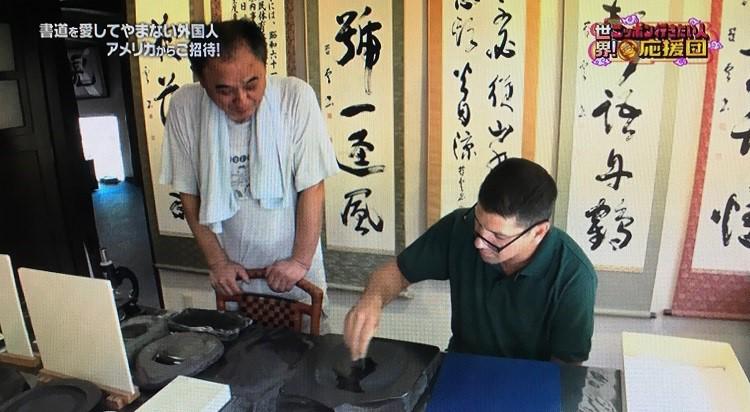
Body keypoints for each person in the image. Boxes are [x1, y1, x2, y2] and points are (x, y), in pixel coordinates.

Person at [344, 158, 597, 364]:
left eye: (497, 236)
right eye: (479, 222)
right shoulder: (460, 227)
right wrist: (372, 300)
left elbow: (565, 370)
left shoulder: (574, 276)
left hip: (529, 385)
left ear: (538, 232)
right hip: (461, 369)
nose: (479, 241)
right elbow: (397, 272)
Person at [160, 19, 339, 309]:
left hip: (296, 271)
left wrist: (299, 260)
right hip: (232, 272)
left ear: (265, 65)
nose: (242, 101)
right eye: (225, 91)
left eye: (252, 84)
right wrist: (218, 261)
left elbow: (312, 185)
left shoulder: (295, 97)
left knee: (305, 349)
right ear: (202, 81)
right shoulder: (184, 106)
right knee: (236, 346)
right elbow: (189, 194)